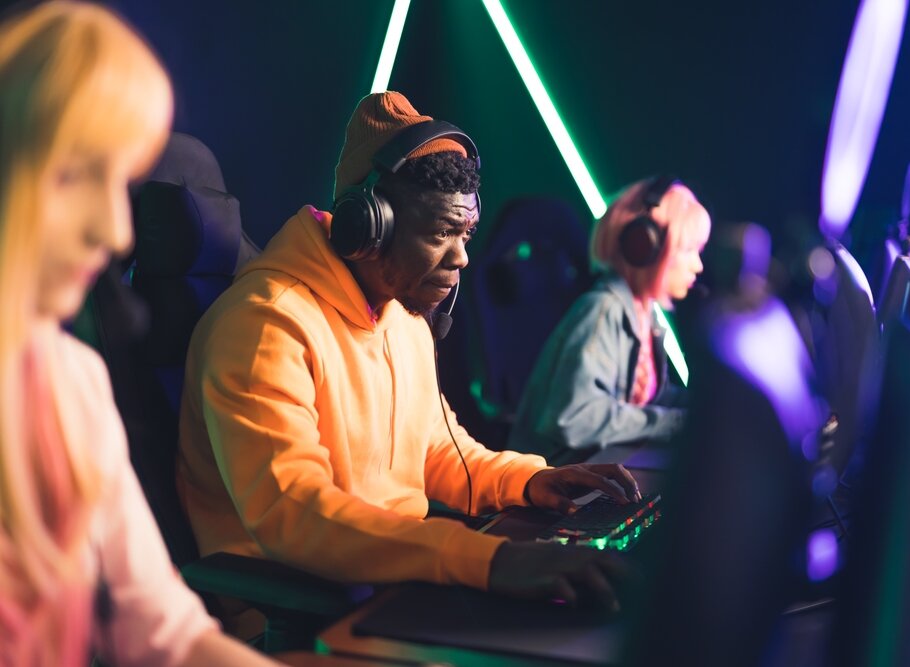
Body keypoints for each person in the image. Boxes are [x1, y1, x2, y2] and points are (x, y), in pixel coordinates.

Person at [176, 91, 639, 635]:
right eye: (442, 233)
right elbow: (294, 513)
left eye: (465, 234)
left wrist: (533, 480)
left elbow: (437, 450)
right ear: (367, 227)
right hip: (299, 609)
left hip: (392, 575)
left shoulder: (402, 316)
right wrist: (488, 560)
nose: (463, 256)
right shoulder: (265, 326)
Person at [0, 3, 278, 665]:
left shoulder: (71, 377)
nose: (117, 232)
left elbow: (165, 632)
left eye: (121, 183)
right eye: (75, 174)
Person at [509, 176, 711, 459]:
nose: (698, 265)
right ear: (644, 245)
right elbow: (576, 418)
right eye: (689, 250)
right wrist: (676, 423)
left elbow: (649, 400)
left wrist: (706, 408)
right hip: (554, 484)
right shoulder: (603, 312)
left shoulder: (644, 314)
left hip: (598, 469)